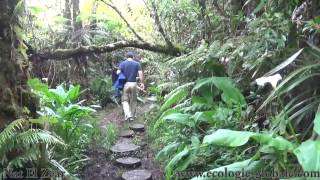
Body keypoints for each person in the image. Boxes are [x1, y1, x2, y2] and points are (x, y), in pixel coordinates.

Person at [118, 52, 144, 121]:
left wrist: (122, 75)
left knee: (124, 100)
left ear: (126, 57)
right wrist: (142, 83)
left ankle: (128, 115)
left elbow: (118, 72)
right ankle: (132, 116)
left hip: (125, 84)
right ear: (133, 57)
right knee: (133, 100)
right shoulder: (137, 64)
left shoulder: (123, 63)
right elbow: (140, 73)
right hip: (134, 84)